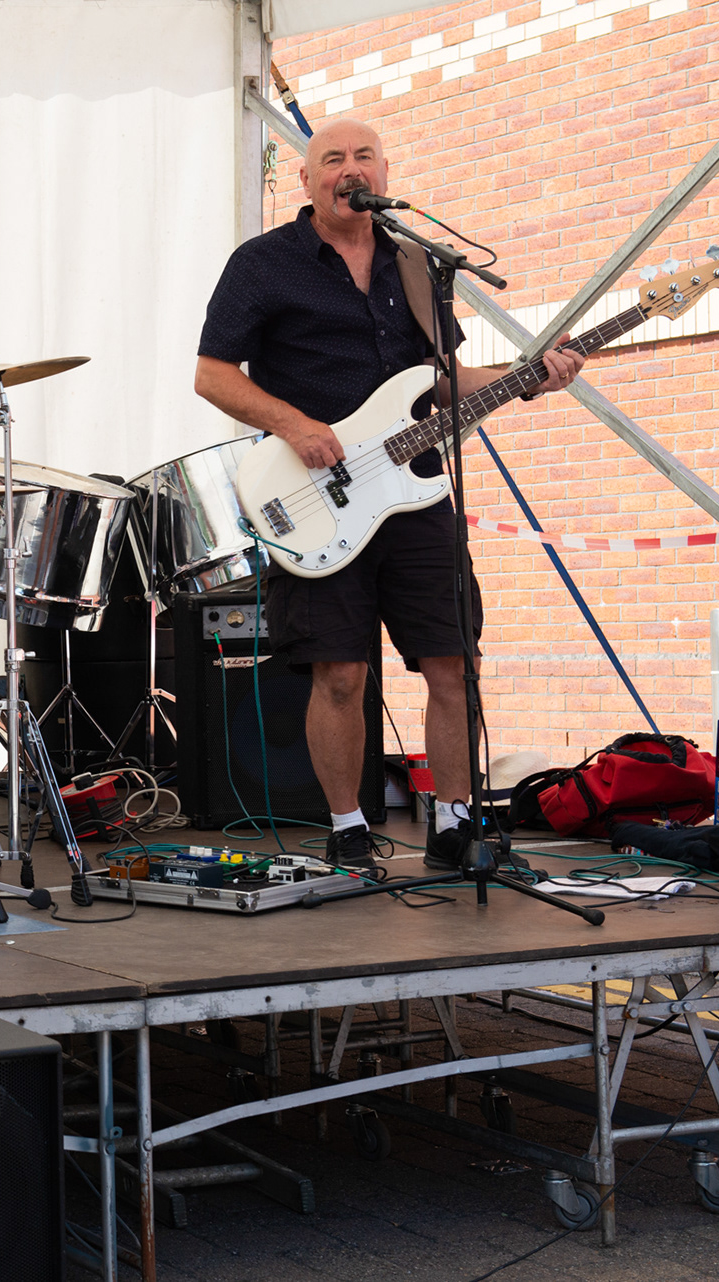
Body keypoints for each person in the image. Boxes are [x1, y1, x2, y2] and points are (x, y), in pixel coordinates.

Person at [193, 118, 585, 872]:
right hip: (313, 492)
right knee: (340, 671)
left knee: (452, 660)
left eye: (363, 156)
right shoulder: (263, 264)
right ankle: (346, 829)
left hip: (414, 493)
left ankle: (455, 826)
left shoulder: (415, 264)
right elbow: (213, 374)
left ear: (383, 172)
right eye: (332, 158)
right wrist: (294, 424)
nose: (350, 168)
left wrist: (528, 379)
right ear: (306, 182)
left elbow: (439, 383)